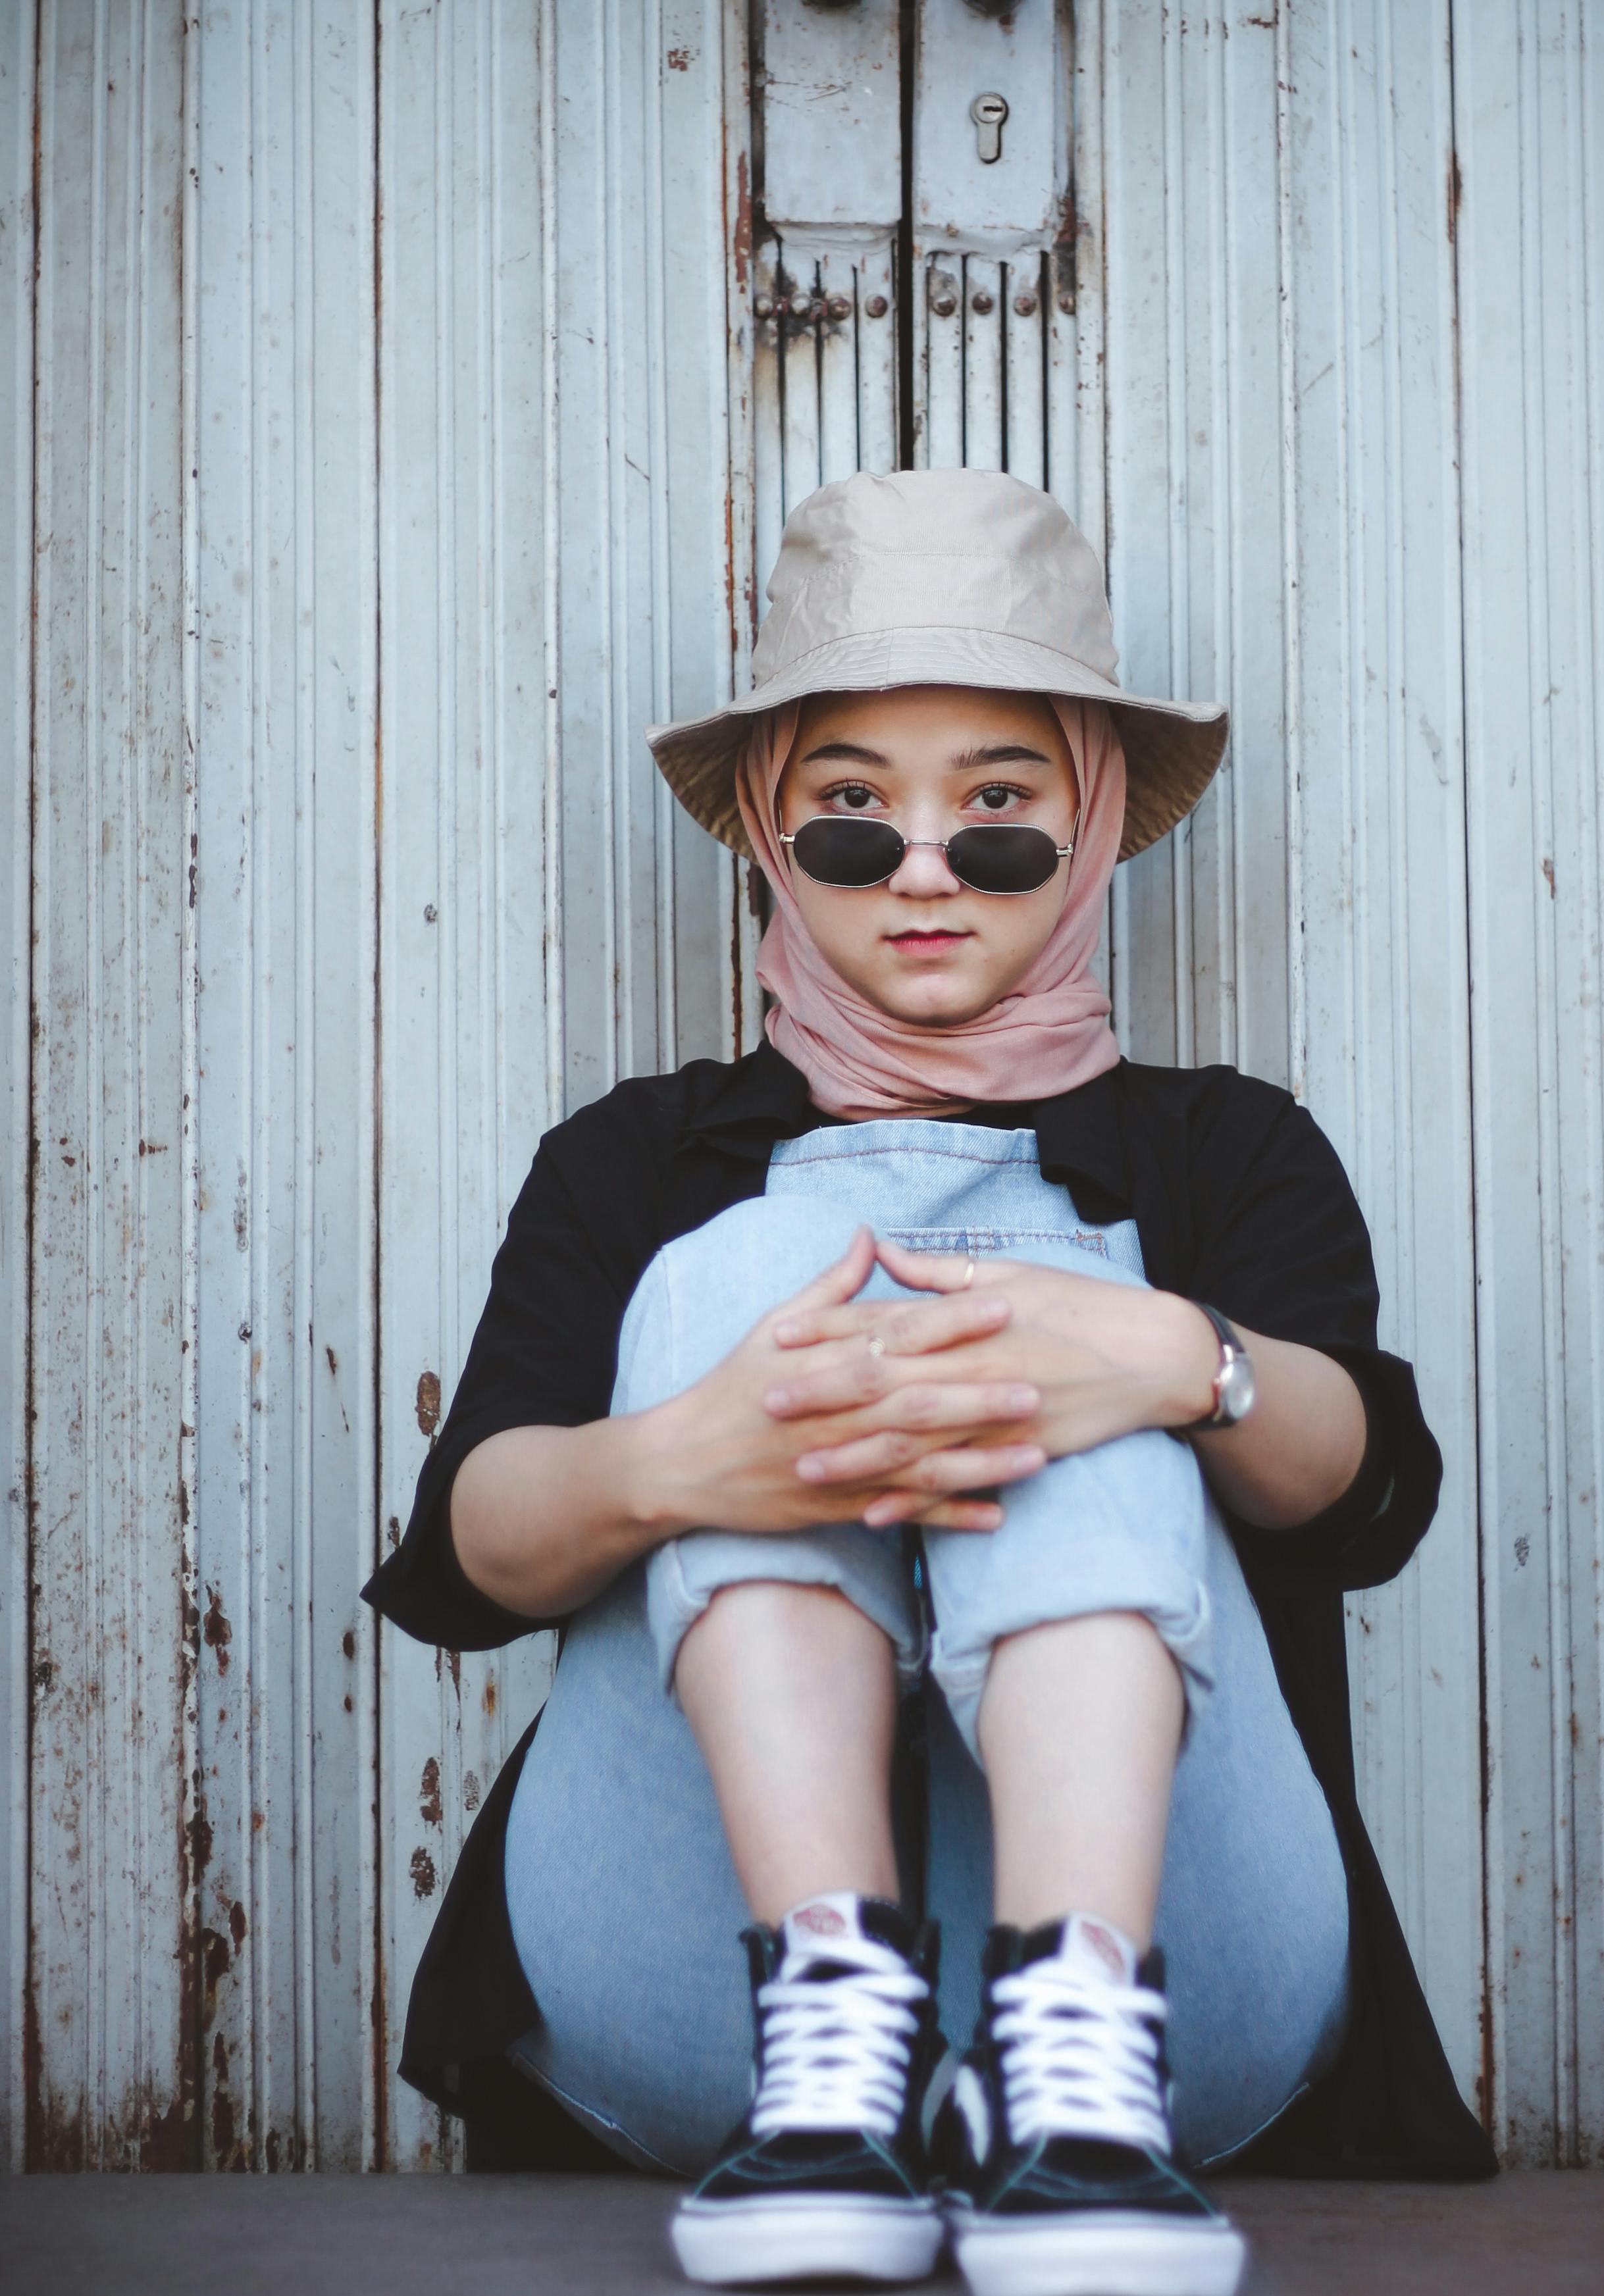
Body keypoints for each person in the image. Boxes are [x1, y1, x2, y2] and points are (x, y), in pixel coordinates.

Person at [363, 470, 1495, 2296]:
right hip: (696, 1984)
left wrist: (1162, 1355)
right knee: (742, 1268)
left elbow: (1360, 1488)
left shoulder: (1229, 1150)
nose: (917, 870)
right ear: (762, 826)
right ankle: (832, 2036)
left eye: (996, 816)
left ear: (1096, 816)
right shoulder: (638, 1160)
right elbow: (473, 1544)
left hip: (1191, 1979)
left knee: (1074, 1305)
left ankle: (1079, 2070)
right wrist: (683, 1459)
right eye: (847, 818)